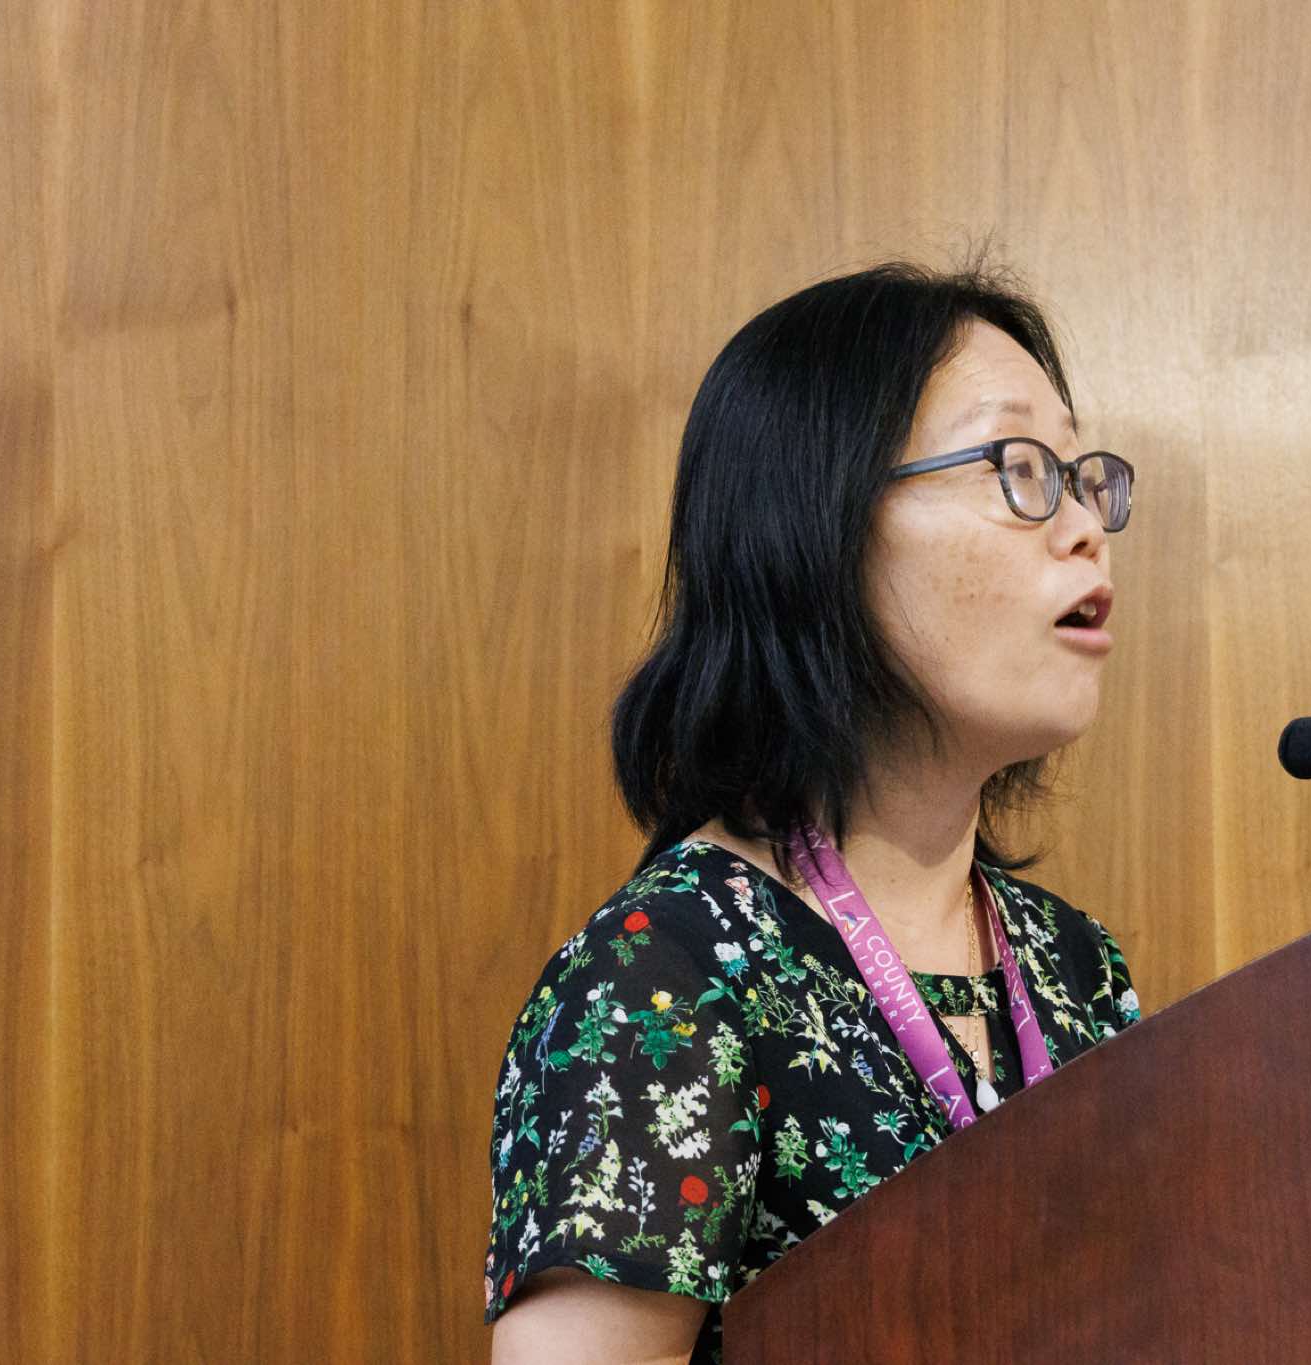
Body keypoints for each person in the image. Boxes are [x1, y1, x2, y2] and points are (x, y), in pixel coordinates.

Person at [484, 261, 1143, 1364]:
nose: (1083, 526)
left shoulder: (1073, 963)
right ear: (817, 526)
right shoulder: (666, 976)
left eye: (1081, 477)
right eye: (1018, 469)